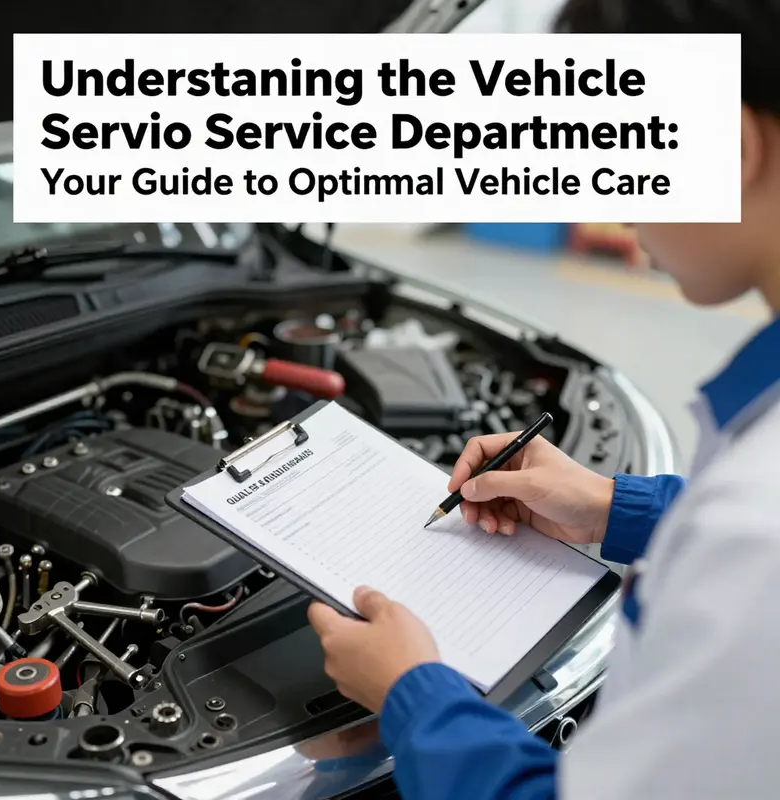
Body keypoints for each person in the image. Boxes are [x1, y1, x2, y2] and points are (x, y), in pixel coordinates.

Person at [308, 1, 780, 798]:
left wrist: (413, 696)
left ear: (730, 148)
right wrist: (613, 506)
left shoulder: (755, 532)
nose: (616, 204)